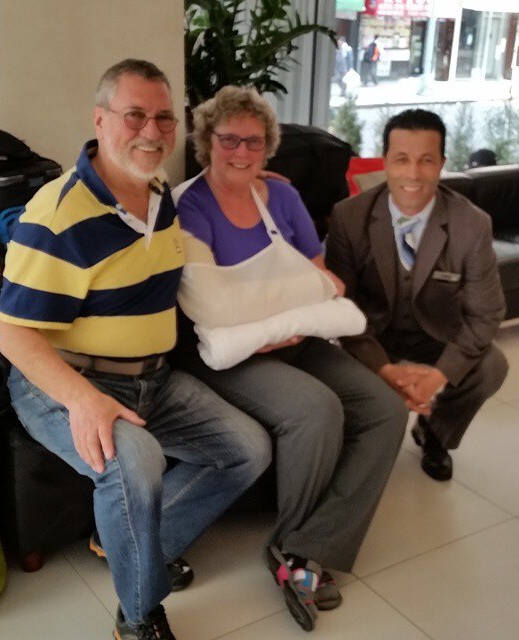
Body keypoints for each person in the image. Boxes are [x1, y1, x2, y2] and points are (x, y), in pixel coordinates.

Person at [0, 60, 271, 640]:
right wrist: (83, 400)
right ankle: (140, 614)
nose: (153, 131)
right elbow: (11, 332)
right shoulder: (58, 215)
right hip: (64, 379)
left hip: (152, 378)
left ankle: (131, 545)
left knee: (246, 450)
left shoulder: (158, 189)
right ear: (100, 120)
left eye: (165, 117)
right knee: (135, 463)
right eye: (135, 115)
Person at [172, 86, 408, 633]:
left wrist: (277, 315)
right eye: (229, 139)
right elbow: (212, 307)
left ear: (268, 146)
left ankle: (308, 545)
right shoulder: (189, 205)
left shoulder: (281, 196)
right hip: (223, 353)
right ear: (207, 140)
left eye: (253, 142)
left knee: (385, 409)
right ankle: (293, 552)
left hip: (295, 338)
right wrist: (289, 305)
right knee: (315, 408)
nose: (241, 152)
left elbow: (322, 278)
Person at [326, 109, 508, 483]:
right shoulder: (348, 217)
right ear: (385, 161)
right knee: (334, 371)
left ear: (442, 163)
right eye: (402, 159)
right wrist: (383, 368)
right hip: (370, 334)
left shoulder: (472, 224)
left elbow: (486, 313)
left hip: (436, 335)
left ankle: (435, 434)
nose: (413, 174)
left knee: (492, 366)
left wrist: (438, 377)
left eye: (426, 160)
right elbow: (341, 308)